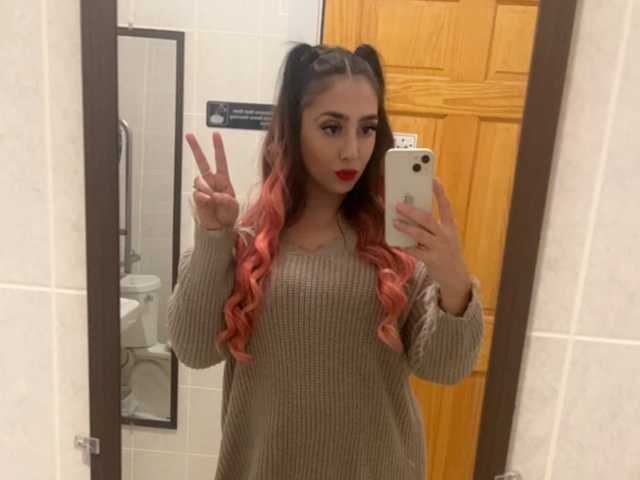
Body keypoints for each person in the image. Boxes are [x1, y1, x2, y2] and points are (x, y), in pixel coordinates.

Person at [168, 42, 484, 480]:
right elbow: (193, 349)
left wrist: (454, 281)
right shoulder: (246, 247)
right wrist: (212, 237)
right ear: (293, 130)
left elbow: (445, 369)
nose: (353, 150)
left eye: (367, 129)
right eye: (332, 127)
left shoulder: (401, 253)